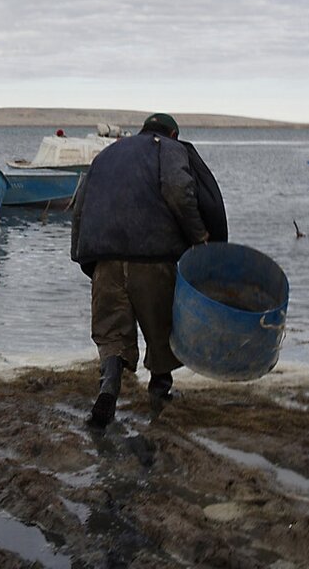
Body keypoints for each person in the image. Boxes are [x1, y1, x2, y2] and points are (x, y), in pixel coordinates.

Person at [70, 112, 227, 428]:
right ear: (172, 134)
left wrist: (83, 257)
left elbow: (80, 205)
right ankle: (160, 394)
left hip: (105, 258)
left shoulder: (106, 154)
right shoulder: (169, 149)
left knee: (112, 332)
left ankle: (108, 389)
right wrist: (199, 237)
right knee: (162, 332)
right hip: (153, 257)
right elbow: (177, 189)